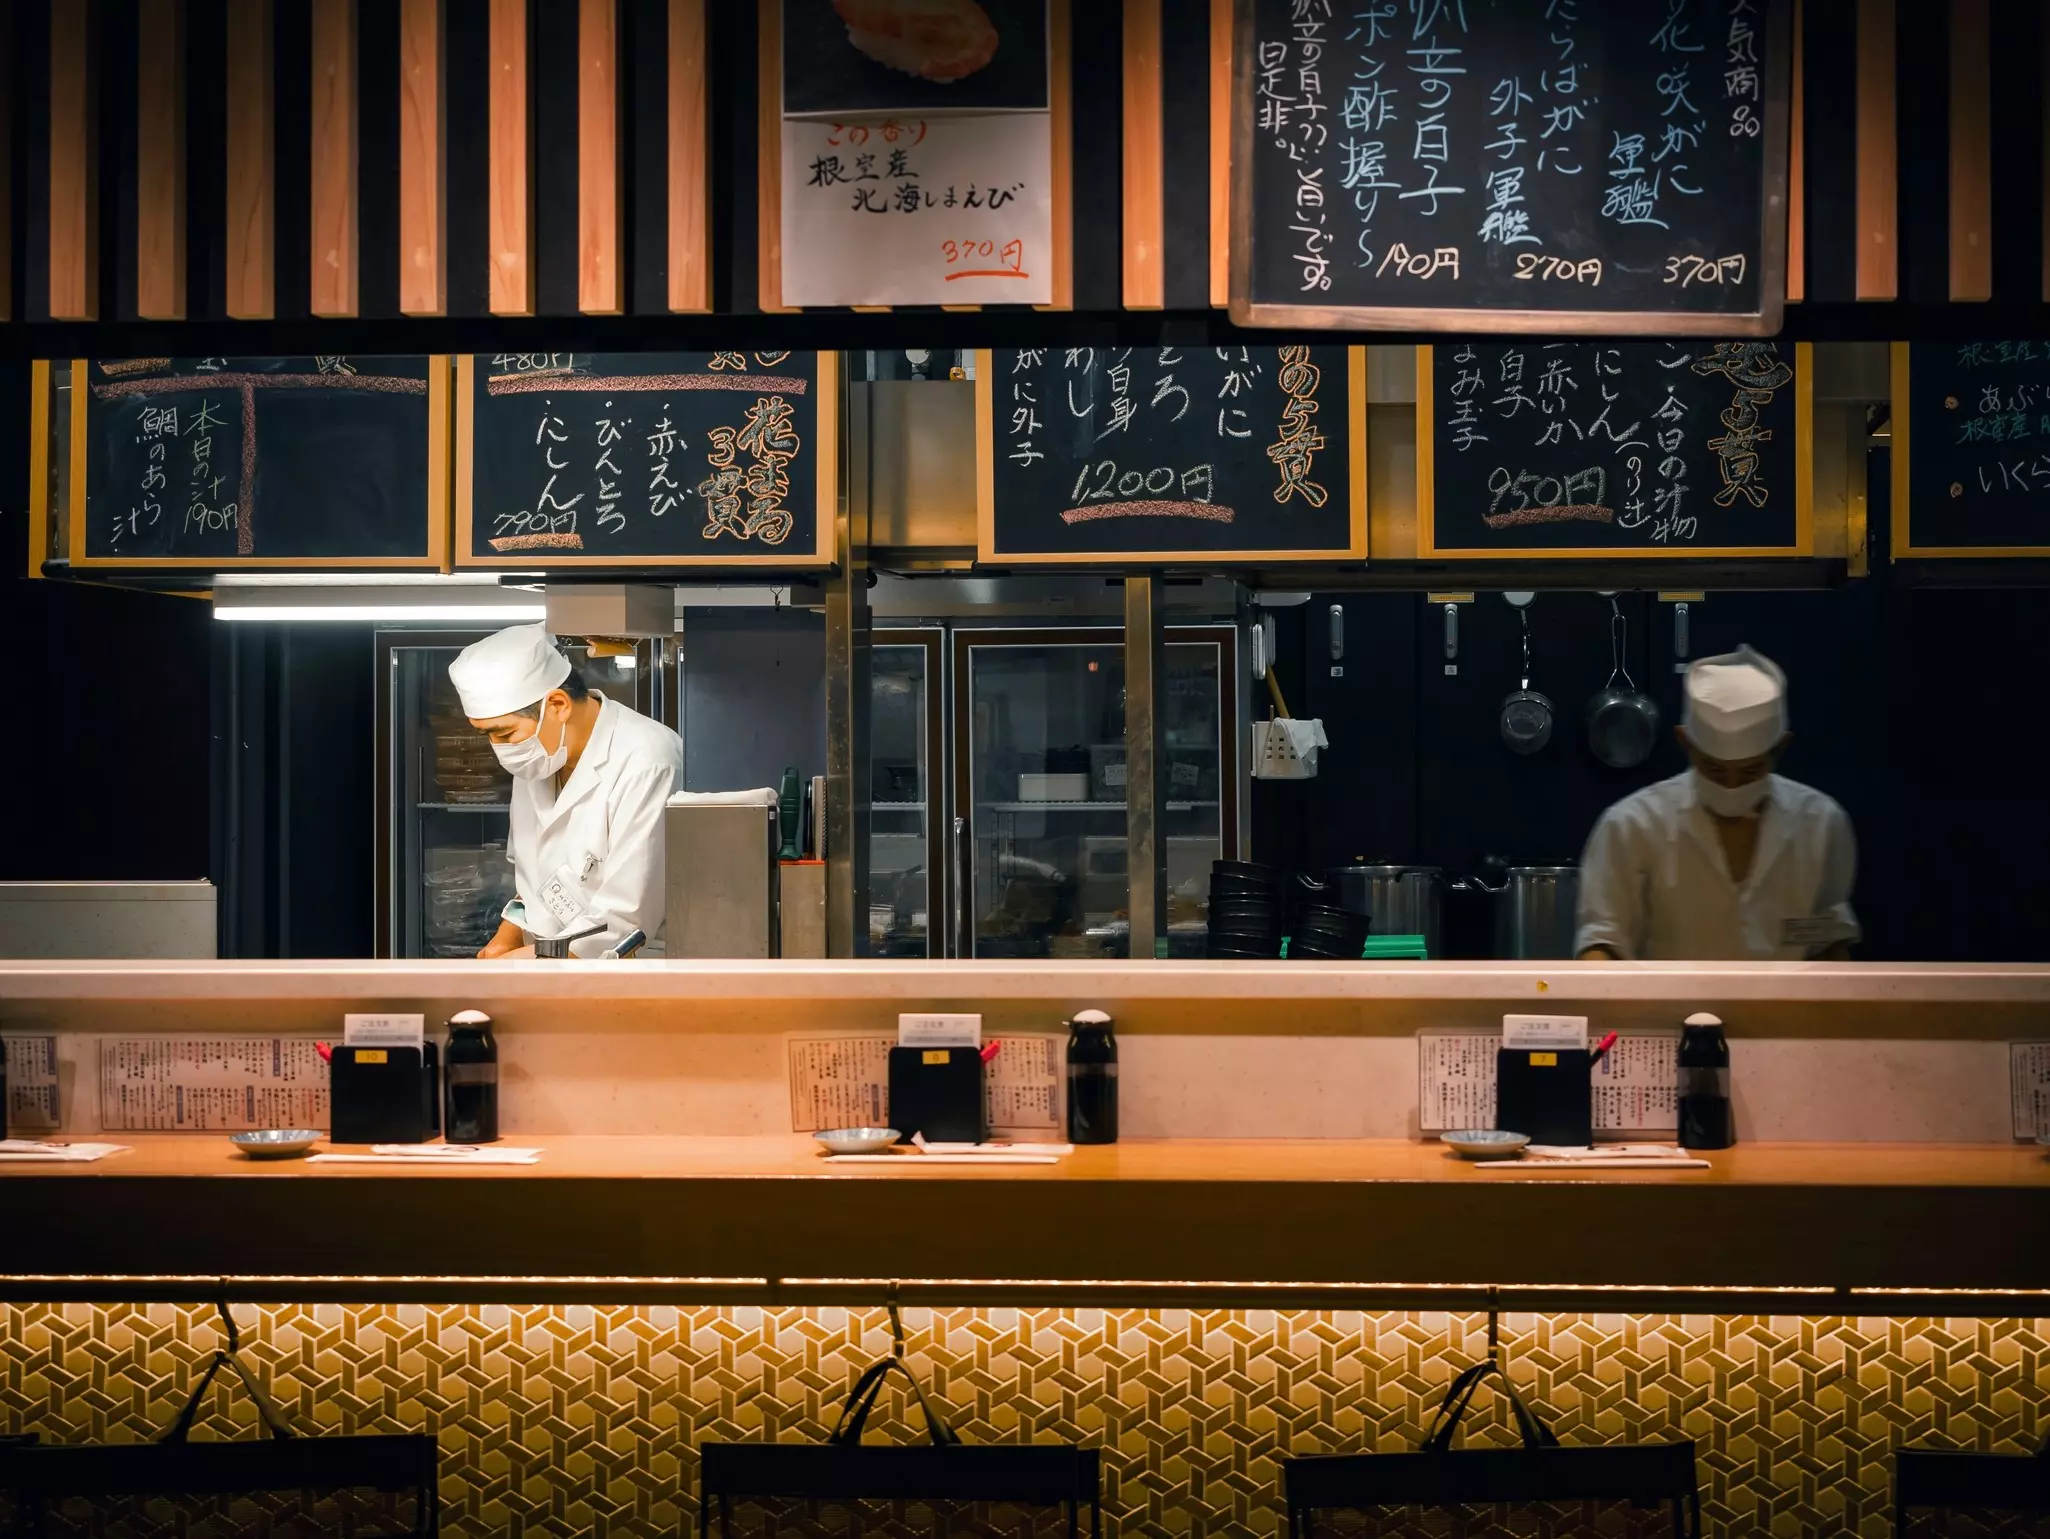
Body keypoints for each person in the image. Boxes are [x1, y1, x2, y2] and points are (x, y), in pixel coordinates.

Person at [1575, 645, 1858, 962]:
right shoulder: (1631, 827)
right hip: (1665, 1010)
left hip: (1786, 1011)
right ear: (1685, 742)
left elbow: (1830, 944)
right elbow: (1602, 943)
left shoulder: (1821, 825)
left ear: (1781, 747)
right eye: (1714, 769)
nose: (1732, 786)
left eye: (1750, 771)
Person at [449, 624, 684, 959]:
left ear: (557, 705)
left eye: (503, 733)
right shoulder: (539, 758)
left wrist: (517, 967)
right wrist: (507, 938)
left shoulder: (650, 761)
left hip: (626, 972)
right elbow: (535, 884)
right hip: (546, 969)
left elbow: (625, 919)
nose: (498, 748)